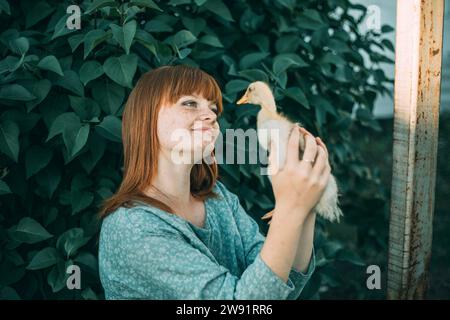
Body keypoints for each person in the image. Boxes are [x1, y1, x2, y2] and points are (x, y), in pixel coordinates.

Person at [97, 64, 331, 299]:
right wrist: (291, 207)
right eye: (189, 103)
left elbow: (280, 284)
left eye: (213, 108)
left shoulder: (219, 199)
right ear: (145, 116)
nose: (211, 116)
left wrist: (306, 206)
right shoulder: (132, 228)